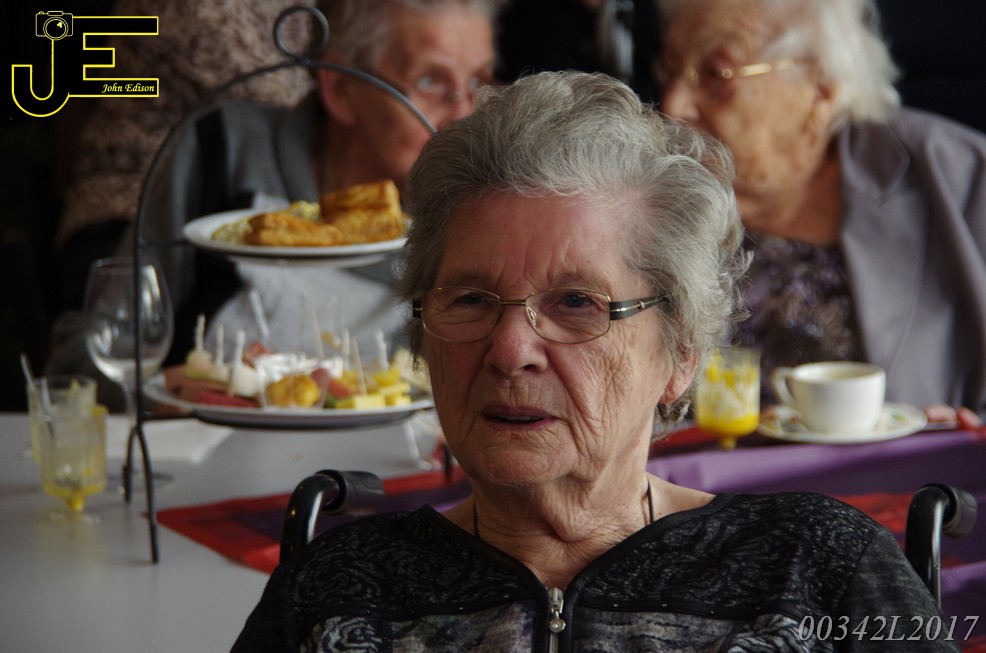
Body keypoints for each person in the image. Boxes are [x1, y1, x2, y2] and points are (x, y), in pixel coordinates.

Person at [229, 71, 953, 652]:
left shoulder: (813, 566)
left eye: (577, 302)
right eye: (472, 299)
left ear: (680, 354)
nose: (510, 349)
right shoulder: (341, 592)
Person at [45, 0, 502, 403]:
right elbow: (81, 355)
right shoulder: (224, 153)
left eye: (478, 80)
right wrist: (158, 392)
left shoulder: (476, 214)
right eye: (429, 80)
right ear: (340, 90)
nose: (463, 116)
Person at [655, 0, 986, 426]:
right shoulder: (646, 193)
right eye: (670, 70)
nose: (673, 105)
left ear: (821, 86)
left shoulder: (960, 176)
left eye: (717, 74)